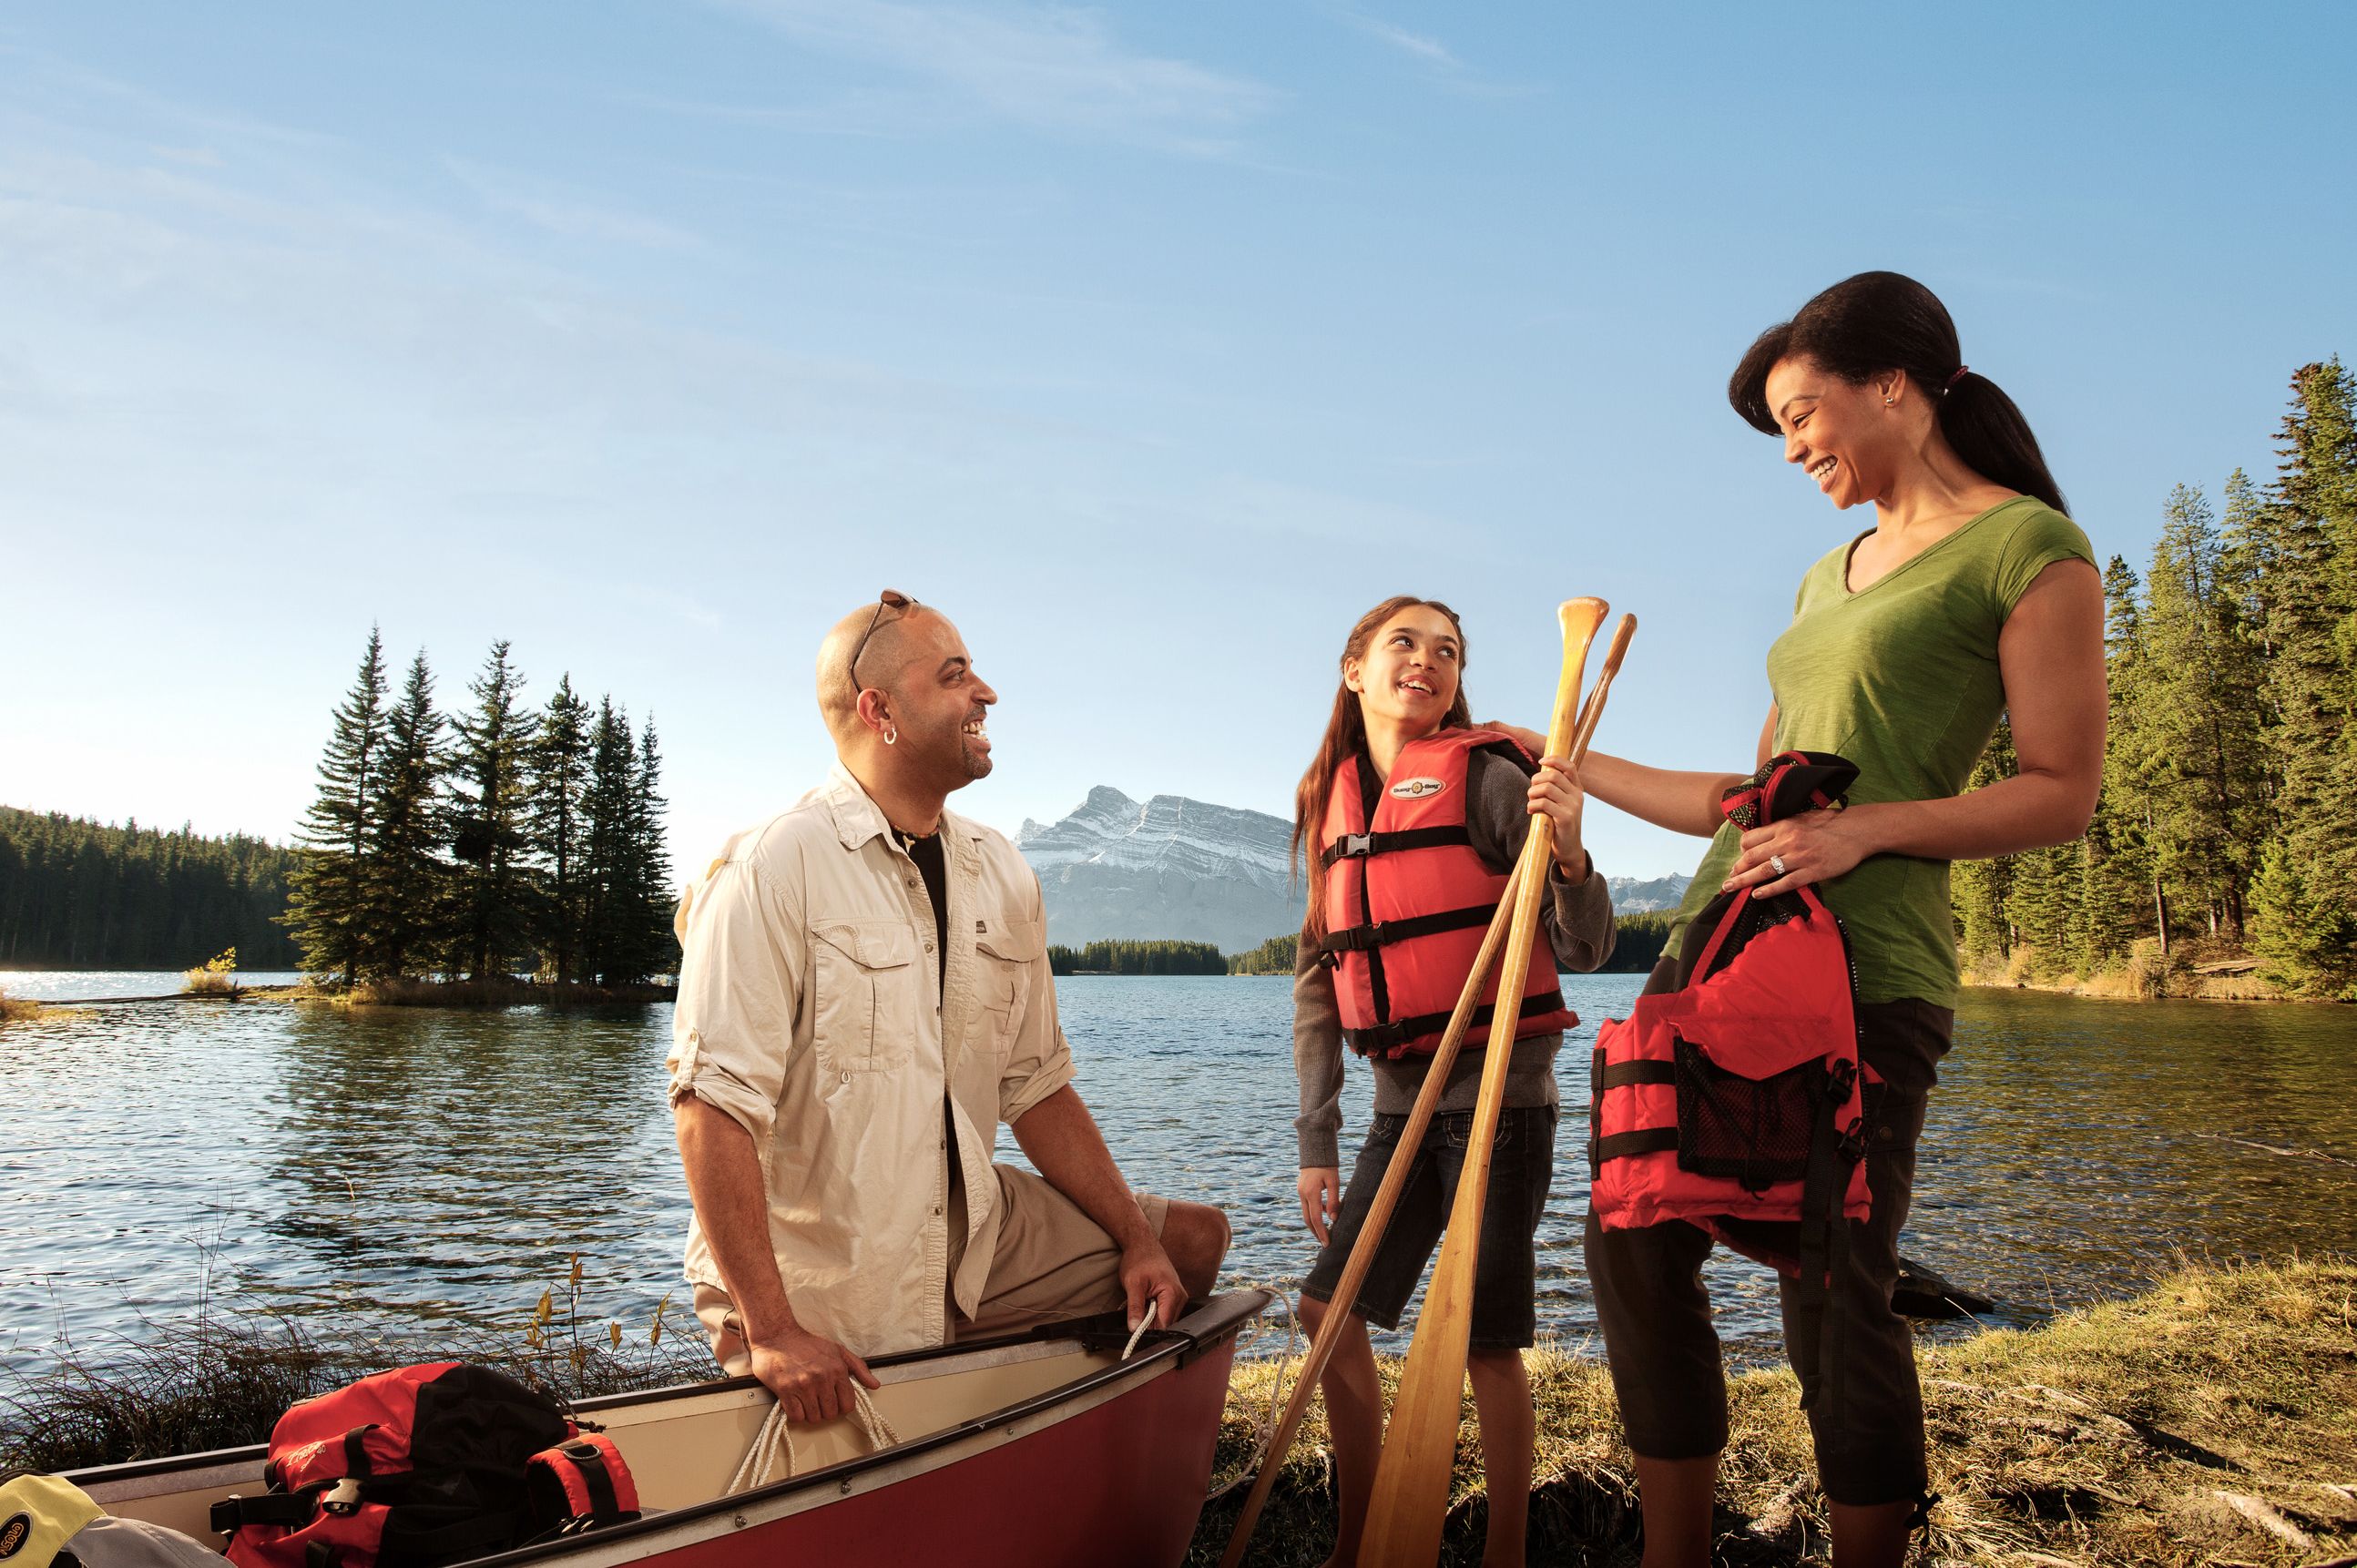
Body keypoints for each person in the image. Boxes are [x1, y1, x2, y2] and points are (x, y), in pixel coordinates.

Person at [1573, 272, 2105, 1568]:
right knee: (1634, 1235)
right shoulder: (1829, 574)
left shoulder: (2031, 549)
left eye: (1805, 414)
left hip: (1867, 969)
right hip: (1718, 952)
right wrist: (1575, 761)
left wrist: (1865, 828)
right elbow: (1746, 796)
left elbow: (2062, 792)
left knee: (1832, 1282)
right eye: (1781, 427)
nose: (1796, 445)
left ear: (1896, 386)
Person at [667, 590, 1231, 1424]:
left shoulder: (1000, 872)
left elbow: (1036, 1086)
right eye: (955, 674)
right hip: (828, 1268)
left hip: (973, 1237)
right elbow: (711, 1108)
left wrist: (1137, 1240)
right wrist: (774, 1327)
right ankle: (938, 1405)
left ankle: (1015, 1421)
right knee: (856, 1443)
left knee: (1191, 1245)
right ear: (880, 709)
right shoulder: (772, 868)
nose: (987, 693)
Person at [1290, 595, 1617, 1568]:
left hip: (1500, 1105)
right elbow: (1317, 985)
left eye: (1446, 651)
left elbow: (1586, 944)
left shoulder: (1487, 774)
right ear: (1353, 670)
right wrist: (1316, 1140)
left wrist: (1567, 851)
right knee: (1326, 1311)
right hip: (1403, 1105)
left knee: (1482, 1341)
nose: (1425, 662)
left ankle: (1503, 1552)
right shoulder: (1329, 805)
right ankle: (1370, 1533)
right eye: (1403, 643)